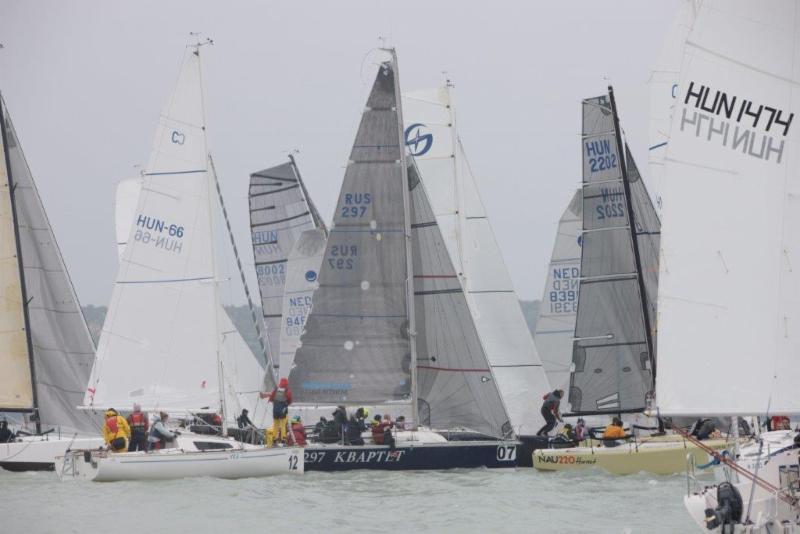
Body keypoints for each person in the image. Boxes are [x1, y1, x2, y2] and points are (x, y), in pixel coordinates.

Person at [261, 377, 293, 447]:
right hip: (283, 410)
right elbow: (290, 399)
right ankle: (283, 440)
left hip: (275, 410)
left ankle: (274, 440)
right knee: (283, 425)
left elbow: (271, 398)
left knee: (276, 425)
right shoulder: (287, 390)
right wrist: (286, 403)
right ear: (286, 383)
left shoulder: (276, 389)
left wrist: (276, 403)